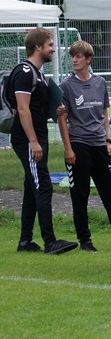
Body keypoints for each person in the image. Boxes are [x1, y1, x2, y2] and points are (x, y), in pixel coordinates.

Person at [9, 28, 76, 255]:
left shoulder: (39, 76)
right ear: (38, 47)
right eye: (50, 45)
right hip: (29, 139)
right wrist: (33, 142)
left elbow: (37, 109)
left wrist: (55, 111)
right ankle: (50, 242)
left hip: (37, 137)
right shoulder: (25, 72)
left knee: (32, 187)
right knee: (43, 185)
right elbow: (22, 108)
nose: (53, 49)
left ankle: (25, 241)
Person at [57, 39, 111, 252]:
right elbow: (62, 119)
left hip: (99, 145)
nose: (74, 60)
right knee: (80, 195)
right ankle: (85, 241)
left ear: (88, 59)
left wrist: (107, 140)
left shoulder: (100, 83)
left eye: (78, 56)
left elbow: (104, 114)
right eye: (72, 56)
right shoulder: (66, 85)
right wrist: (68, 148)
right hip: (78, 144)